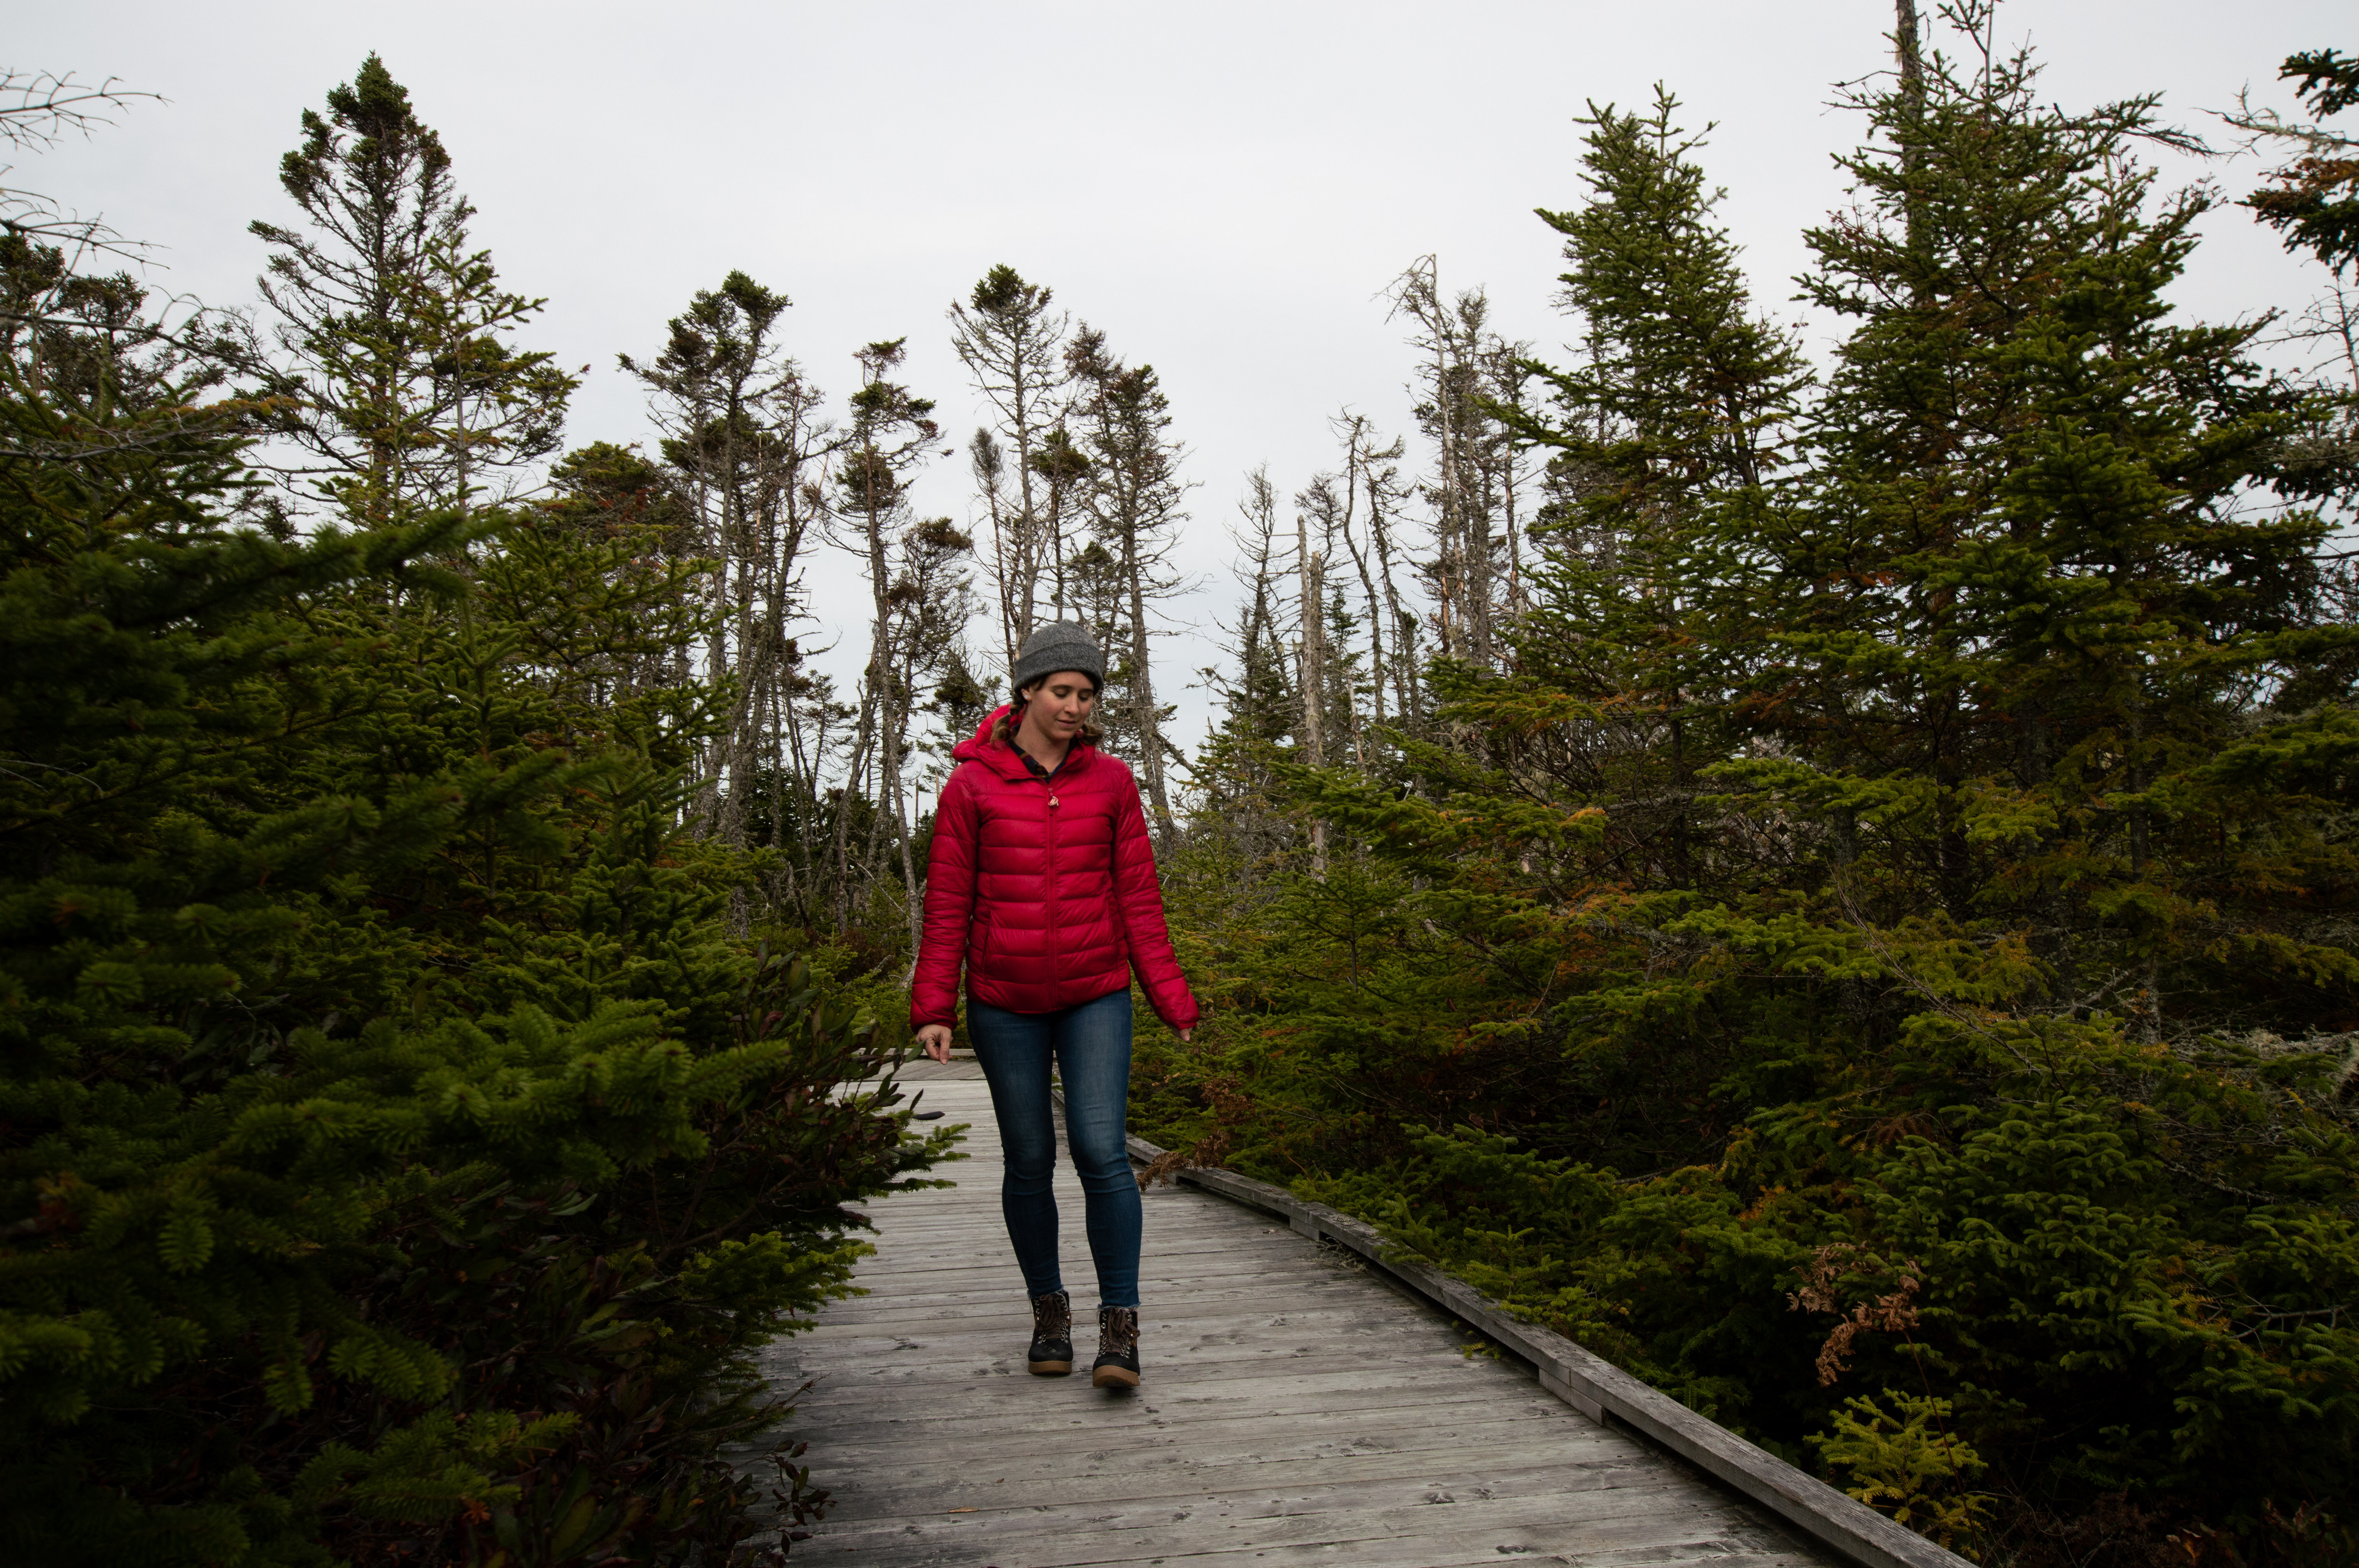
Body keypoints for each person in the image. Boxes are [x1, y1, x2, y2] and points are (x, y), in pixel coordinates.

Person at [910, 621, 1199, 1390]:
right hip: (1003, 1001)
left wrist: (1169, 993)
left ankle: (1120, 1327)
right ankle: (1048, 1311)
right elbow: (947, 906)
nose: (1075, 705)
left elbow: (1139, 898)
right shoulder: (970, 785)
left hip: (1094, 993)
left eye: (1086, 693)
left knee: (1102, 1150)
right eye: (1062, 690)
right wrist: (933, 1003)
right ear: (1028, 691)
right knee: (1028, 1158)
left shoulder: (1109, 783)